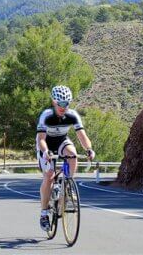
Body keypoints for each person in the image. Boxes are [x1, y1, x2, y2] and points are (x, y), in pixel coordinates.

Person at [36, 85, 95, 232]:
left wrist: (88, 149)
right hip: (46, 144)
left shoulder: (73, 115)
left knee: (73, 154)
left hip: (62, 140)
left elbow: (82, 135)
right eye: (60, 103)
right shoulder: (46, 115)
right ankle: (44, 214)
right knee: (49, 176)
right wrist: (46, 151)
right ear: (54, 102)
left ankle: (67, 186)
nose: (64, 107)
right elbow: (41, 139)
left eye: (66, 103)